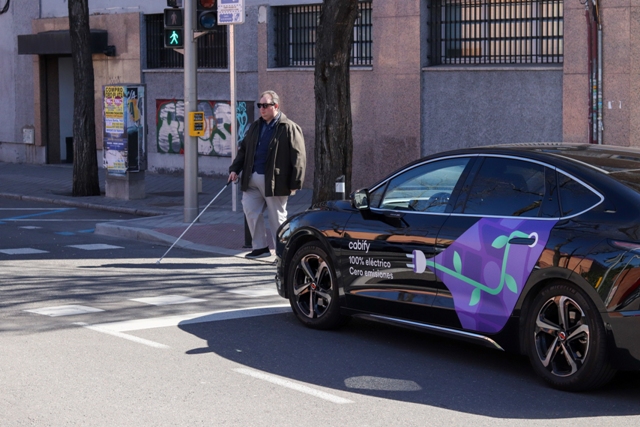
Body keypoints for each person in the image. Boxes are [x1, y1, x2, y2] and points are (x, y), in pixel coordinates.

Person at [228, 90, 306, 258]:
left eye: (265, 105)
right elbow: (244, 150)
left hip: (275, 181)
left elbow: (298, 156)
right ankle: (260, 248)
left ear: (275, 106)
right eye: (259, 105)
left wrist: (295, 183)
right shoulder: (256, 126)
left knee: (277, 218)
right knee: (250, 211)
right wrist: (234, 169)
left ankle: (283, 252)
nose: (261, 109)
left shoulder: (288, 127)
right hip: (252, 178)